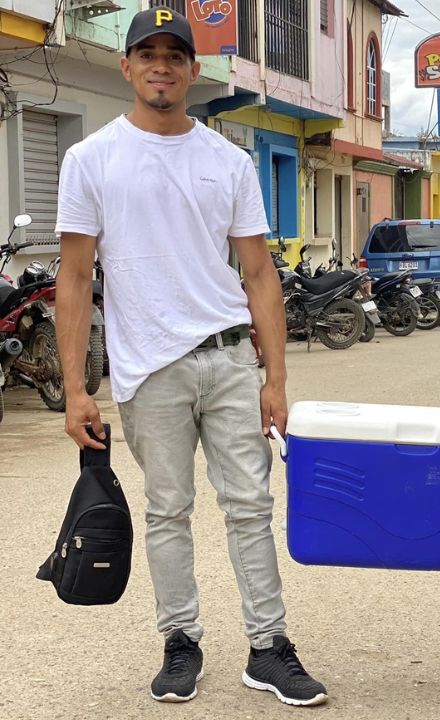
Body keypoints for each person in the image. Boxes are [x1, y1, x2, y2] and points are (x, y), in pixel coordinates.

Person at [54, 8, 327, 707]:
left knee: (250, 506)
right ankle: (180, 641)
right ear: (127, 66)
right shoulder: (91, 160)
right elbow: (76, 279)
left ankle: (268, 647)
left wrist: (277, 377)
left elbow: (260, 274)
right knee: (167, 511)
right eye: (147, 52)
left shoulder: (227, 161)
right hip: (149, 370)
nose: (161, 66)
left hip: (230, 358)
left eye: (175, 55)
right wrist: (77, 389)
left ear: (193, 69)